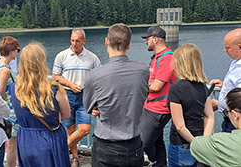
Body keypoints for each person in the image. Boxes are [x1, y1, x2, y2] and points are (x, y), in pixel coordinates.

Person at [83, 23, 149, 167]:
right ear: (129, 45)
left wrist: (96, 106)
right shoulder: (143, 71)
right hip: (134, 146)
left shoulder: (94, 76)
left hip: (106, 148)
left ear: (106, 41)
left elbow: (88, 106)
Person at [10, 43, 71, 167]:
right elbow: (66, 115)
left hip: (25, 140)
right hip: (49, 138)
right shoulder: (54, 90)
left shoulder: (14, 88)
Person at [52, 28, 101, 167]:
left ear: (84, 41)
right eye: (72, 40)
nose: (74, 43)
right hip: (67, 95)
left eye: (77, 41)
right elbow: (55, 76)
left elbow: (99, 76)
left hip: (85, 96)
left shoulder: (92, 57)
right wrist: (69, 84)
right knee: (70, 129)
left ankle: (60, 149)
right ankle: (75, 158)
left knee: (85, 129)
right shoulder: (62, 56)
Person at [167, 44, 215, 167]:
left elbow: (180, 126)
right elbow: (209, 116)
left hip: (182, 144)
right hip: (200, 140)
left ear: (179, 63)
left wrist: (195, 143)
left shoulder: (176, 89)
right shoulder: (203, 87)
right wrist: (203, 142)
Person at [141, 26, 178, 167]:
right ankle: (159, 164)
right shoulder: (158, 57)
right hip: (151, 106)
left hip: (160, 108)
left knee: (144, 143)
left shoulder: (167, 58)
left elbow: (156, 86)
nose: (146, 42)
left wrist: (139, 88)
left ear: (155, 39)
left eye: (147, 39)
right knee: (157, 140)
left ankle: (155, 161)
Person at [190, 87, 241, 166]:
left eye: (227, 112)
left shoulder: (222, 142)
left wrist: (209, 117)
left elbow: (195, 146)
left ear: (235, 115)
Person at [0, 36, 20, 167]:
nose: (17, 53)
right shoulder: (5, 70)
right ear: (11, 51)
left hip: (8, 110)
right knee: (12, 145)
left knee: (12, 144)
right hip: (10, 111)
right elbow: (0, 94)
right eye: (17, 50)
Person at [209, 28, 241, 133]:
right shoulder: (236, 62)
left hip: (236, 123)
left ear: (240, 47)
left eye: (228, 48)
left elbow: (239, 100)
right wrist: (225, 85)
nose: (224, 50)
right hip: (230, 120)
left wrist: (218, 104)